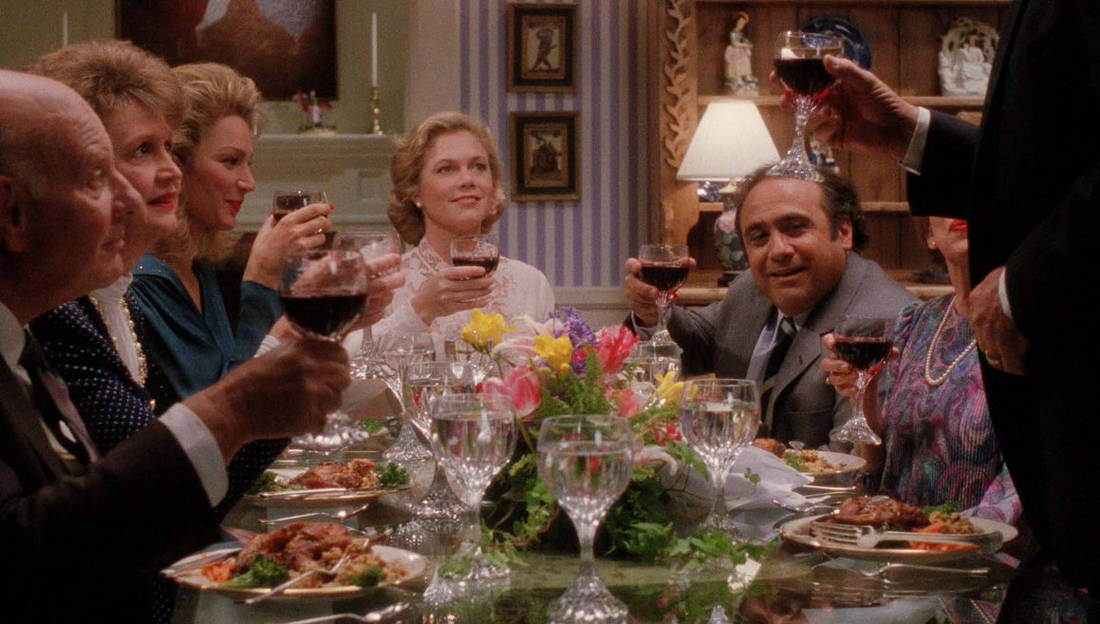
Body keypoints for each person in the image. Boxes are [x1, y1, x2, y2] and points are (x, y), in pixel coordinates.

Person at [0, 68, 350, 621]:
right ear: (12, 212)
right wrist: (232, 409)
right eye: (97, 178)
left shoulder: (46, 323)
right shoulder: (71, 313)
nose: (131, 196)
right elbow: (34, 552)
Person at [802, 2, 1100, 609]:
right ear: (928, 236)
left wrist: (1023, 285)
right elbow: (1040, 169)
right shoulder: (916, 324)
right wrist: (912, 135)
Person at [624, 166, 913, 449]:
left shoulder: (884, 322)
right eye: (760, 237)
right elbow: (692, 343)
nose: (778, 250)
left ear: (844, 231)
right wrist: (651, 311)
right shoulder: (751, 287)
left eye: (795, 228)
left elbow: (852, 461)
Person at [130, 62, 332, 409]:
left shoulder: (197, 268)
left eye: (248, 162)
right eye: (230, 162)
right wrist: (262, 277)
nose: (249, 183)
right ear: (177, 165)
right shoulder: (146, 280)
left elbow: (242, 380)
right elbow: (223, 413)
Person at [820, 217, 1021, 525]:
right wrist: (863, 393)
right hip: (895, 541)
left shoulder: (1025, 330)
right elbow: (878, 471)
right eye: (948, 198)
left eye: (975, 198)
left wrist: (930, 535)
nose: (960, 208)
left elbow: (1023, 490)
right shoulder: (914, 322)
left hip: (979, 546)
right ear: (929, 234)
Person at [373, 112, 554, 350]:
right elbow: (350, 367)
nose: (468, 179)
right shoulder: (386, 286)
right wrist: (419, 311)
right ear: (415, 192)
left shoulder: (531, 284)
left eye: (479, 166)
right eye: (446, 169)